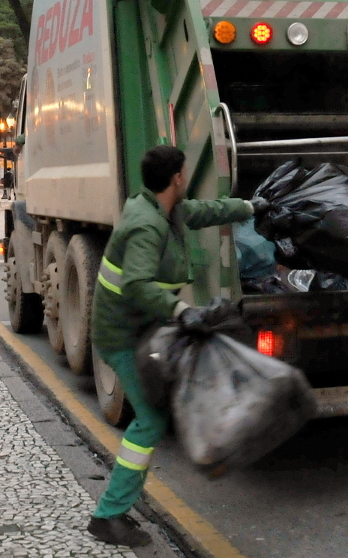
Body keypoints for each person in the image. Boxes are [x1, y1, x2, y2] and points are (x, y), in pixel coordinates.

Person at [87, 145, 256, 547]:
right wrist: (182, 310)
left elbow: (202, 211)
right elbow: (137, 283)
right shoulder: (147, 225)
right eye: (183, 173)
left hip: (143, 327)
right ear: (177, 178)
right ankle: (108, 515)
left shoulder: (161, 208)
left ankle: (118, 508)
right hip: (122, 335)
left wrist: (250, 206)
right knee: (149, 420)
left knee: (161, 410)